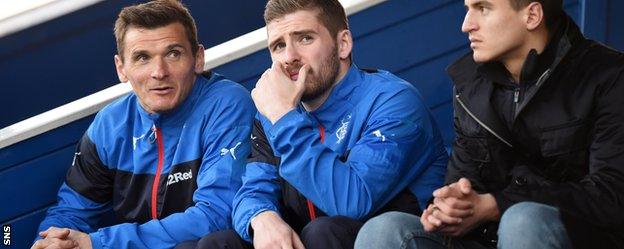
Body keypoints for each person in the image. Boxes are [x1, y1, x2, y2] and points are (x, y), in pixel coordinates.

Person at [354, 0, 624, 248]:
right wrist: (449, 208)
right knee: (385, 229)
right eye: (468, 8)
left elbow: (612, 195)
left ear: (532, 15)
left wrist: (498, 205)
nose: (466, 24)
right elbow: (464, 182)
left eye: (483, 8)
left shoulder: (609, 76)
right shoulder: (470, 86)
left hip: (573, 235)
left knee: (523, 221)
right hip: (487, 238)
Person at [194, 0, 449, 248]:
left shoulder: (392, 101)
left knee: (323, 231)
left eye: (305, 38)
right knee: (218, 243)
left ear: (343, 44)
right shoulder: (271, 115)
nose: (290, 57)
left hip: (397, 238)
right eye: (278, 46)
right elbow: (252, 189)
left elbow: (352, 201)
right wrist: (261, 218)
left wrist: (284, 117)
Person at [31, 1, 255, 248]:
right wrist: (52, 242)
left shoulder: (227, 105)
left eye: (173, 53)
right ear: (121, 68)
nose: (159, 72)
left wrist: (100, 243)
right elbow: (72, 211)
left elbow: (216, 216)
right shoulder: (110, 125)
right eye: (142, 58)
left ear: (198, 58)